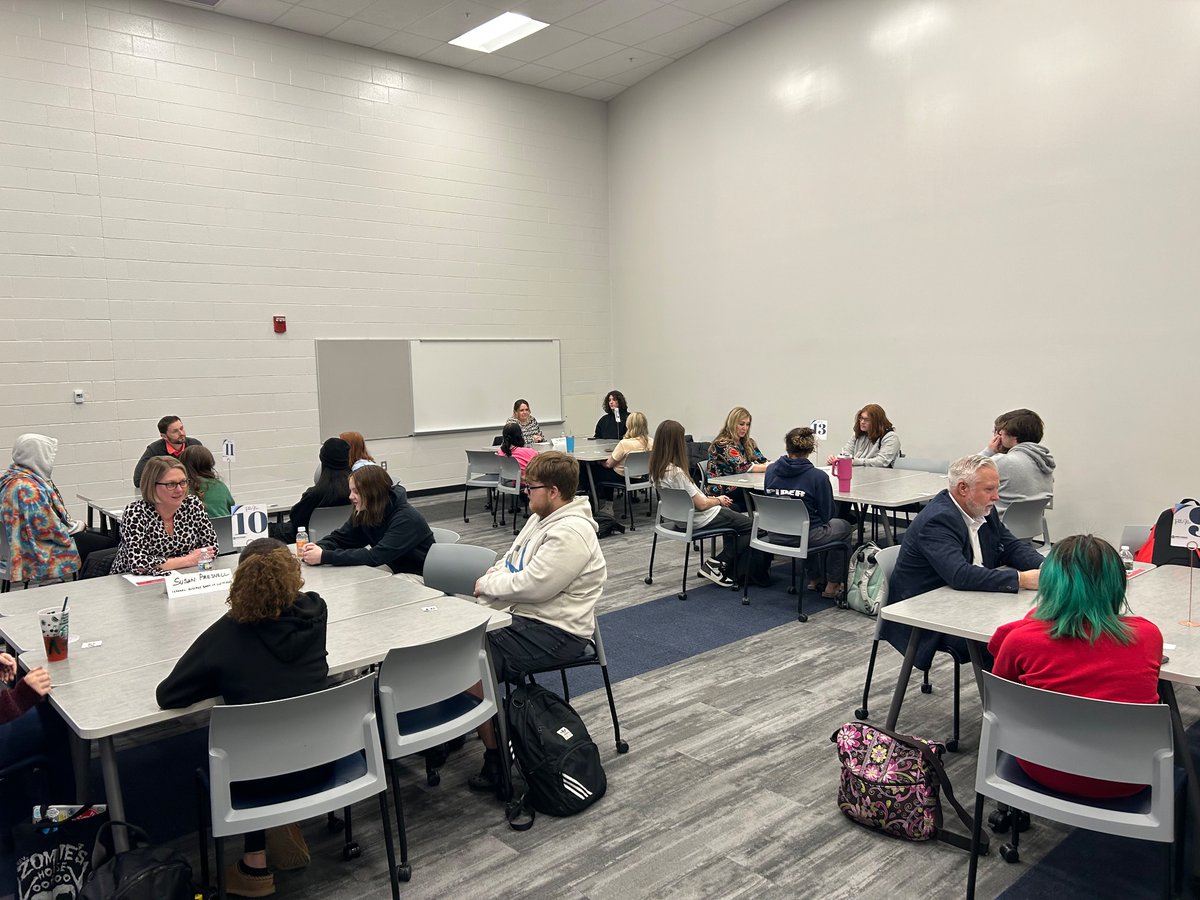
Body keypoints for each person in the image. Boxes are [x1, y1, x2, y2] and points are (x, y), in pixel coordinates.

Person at [157, 538, 328, 897]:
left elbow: (169, 694)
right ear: (294, 574)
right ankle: (283, 821)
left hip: (257, 774)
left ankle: (255, 868)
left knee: (250, 744)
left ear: (240, 581)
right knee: (275, 724)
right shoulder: (316, 611)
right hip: (322, 758)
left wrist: (226, 676)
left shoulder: (229, 633)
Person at [469, 451, 606, 793]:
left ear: (555, 491)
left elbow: (534, 585)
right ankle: (473, 732)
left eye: (531, 487)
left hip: (558, 632)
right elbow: (511, 561)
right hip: (526, 617)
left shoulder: (571, 532)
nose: (524, 491)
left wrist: (487, 585)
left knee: (469, 663)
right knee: (461, 649)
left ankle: (498, 759)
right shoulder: (541, 517)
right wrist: (494, 577)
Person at [987, 534, 1161, 798]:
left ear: (1050, 585)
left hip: (1042, 767)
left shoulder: (1021, 640)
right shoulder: (1148, 636)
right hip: (1129, 779)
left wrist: (1040, 616)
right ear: (1117, 585)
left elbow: (999, 702)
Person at [880, 454, 1045, 670]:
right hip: (929, 614)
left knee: (1030, 630)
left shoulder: (981, 508)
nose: (997, 497)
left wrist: (1044, 567)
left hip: (968, 599)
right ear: (963, 488)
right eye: (989, 489)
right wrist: (1022, 579)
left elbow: (1010, 545)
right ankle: (1004, 700)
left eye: (997, 488)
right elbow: (960, 575)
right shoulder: (938, 520)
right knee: (1011, 640)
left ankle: (1013, 696)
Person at [0, 433, 116, 582]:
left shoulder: (12, 478)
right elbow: (49, 530)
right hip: (40, 549)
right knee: (110, 547)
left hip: (19, 546)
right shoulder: (29, 489)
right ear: (37, 456)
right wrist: (77, 526)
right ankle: (91, 587)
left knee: (100, 539)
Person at [651, 419, 751, 589]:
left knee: (733, 510)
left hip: (680, 518)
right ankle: (718, 563)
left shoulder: (656, 469)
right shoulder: (677, 474)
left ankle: (727, 566)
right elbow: (702, 505)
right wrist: (718, 500)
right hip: (701, 517)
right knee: (755, 528)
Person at [763, 426, 851, 598]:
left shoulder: (771, 470)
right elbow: (827, 515)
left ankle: (814, 578)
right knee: (842, 527)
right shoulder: (817, 477)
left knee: (807, 524)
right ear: (811, 449)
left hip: (774, 533)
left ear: (787, 447)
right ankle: (833, 584)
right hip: (803, 536)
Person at [299, 464, 434, 575]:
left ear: (373, 493)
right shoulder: (366, 511)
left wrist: (324, 556)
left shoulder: (406, 519)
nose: (350, 497)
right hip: (393, 567)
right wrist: (318, 548)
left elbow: (375, 556)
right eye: (351, 491)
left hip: (418, 575)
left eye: (356, 492)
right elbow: (342, 538)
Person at [110, 456, 218, 576]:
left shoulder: (192, 504)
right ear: (152, 486)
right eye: (171, 484)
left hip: (182, 577)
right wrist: (189, 559)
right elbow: (138, 564)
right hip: (131, 582)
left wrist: (166, 563)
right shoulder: (136, 512)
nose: (179, 489)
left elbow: (212, 548)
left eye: (183, 482)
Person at [981, 408, 1055, 515]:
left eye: (999, 432)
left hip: (999, 528)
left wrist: (988, 451)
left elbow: (963, 473)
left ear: (1014, 435)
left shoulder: (1002, 461)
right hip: (1032, 528)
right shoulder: (1045, 462)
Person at [281, 437, 352, 542]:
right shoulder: (358, 491)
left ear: (323, 460)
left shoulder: (315, 494)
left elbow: (296, 520)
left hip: (313, 541)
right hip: (348, 538)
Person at [706, 406, 768, 510]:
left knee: (768, 494)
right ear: (732, 424)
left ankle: (738, 509)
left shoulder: (748, 442)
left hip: (742, 486)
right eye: (741, 424)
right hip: (723, 490)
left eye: (747, 424)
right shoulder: (722, 444)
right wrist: (775, 467)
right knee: (763, 497)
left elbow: (763, 461)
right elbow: (745, 467)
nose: (745, 428)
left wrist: (775, 464)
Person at [592, 410, 653, 516]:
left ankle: (607, 505)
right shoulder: (651, 442)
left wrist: (599, 462)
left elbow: (609, 464)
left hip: (623, 476)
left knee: (597, 471)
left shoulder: (624, 444)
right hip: (642, 476)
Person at [132, 416, 202, 488]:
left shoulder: (195, 445)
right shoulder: (154, 450)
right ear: (164, 436)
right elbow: (138, 480)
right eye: (175, 431)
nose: (181, 433)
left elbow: (206, 472)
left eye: (181, 428)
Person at [826, 404, 901, 468]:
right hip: (857, 475)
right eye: (861, 418)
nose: (862, 422)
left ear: (877, 422)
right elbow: (846, 453)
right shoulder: (858, 435)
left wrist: (855, 461)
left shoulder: (891, 437)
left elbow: (881, 462)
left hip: (880, 478)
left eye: (867, 420)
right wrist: (837, 459)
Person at [180, 445, 235, 518]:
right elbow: (232, 508)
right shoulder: (219, 485)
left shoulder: (181, 488)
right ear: (209, 463)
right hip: (224, 526)